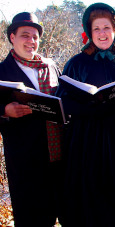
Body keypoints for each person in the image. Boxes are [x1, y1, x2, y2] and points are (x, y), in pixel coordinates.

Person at [56, 3, 115, 227]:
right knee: (96, 195)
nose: (102, 33)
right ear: (89, 33)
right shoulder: (76, 63)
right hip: (89, 139)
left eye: (106, 27)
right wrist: (92, 107)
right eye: (97, 28)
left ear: (114, 30)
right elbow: (64, 101)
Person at [0, 12, 64, 227]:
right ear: (12, 37)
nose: (31, 41)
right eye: (25, 35)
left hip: (61, 159)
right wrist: (4, 110)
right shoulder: (2, 71)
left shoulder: (51, 66)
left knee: (68, 215)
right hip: (27, 164)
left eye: (35, 37)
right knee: (33, 220)